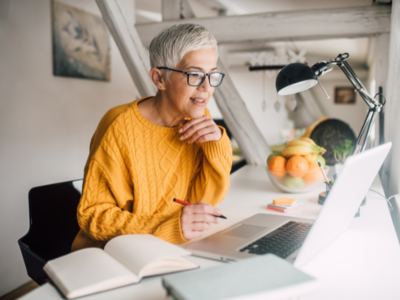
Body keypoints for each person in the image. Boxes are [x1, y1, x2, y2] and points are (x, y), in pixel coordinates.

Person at [71, 24, 232, 251]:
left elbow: (204, 201)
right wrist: (167, 226)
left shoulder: (196, 119)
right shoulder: (118, 125)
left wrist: (217, 144)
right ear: (159, 79)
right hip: (110, 253)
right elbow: (93, 217)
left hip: (165, 248)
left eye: (212, 74)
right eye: (194, 74)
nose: (207, 87)